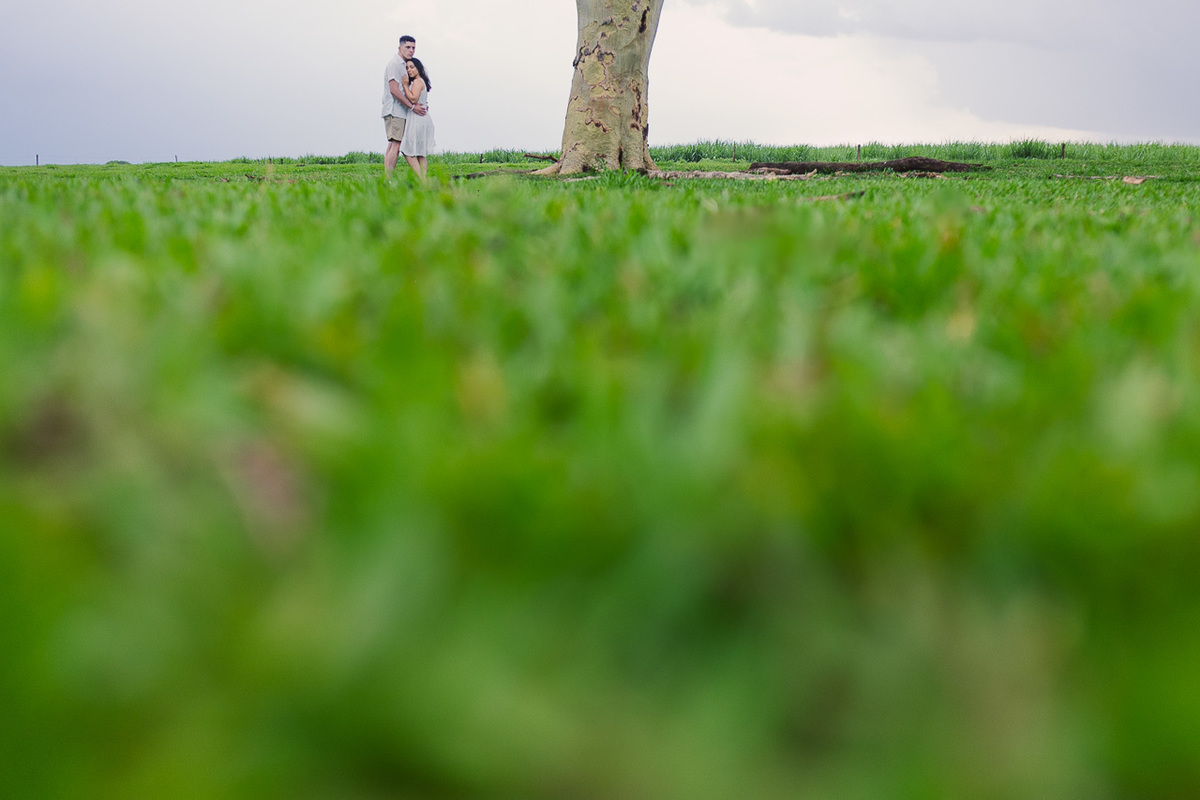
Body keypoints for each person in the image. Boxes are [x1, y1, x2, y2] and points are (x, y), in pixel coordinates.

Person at [381, 35, 428, 178]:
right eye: (408, 47)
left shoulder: (404, 65)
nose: (411, 50)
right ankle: (388, 179)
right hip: (395, 110)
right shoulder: (395, 64)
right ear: (399, 48)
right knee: (395, 145)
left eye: (413, 48)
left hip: (401, 111)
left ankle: (387, 178)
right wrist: (412, 107)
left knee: (393, 145)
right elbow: (394, 89)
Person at [399, 58, 436, 180]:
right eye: (407, 68)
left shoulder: (417, 82)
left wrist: (404, 85)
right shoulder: (421, 82)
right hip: (423, 118)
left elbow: (413, 99)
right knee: (420, 153)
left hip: (417, 119)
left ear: (418, 68)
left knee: (407, 149)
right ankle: (423, 180)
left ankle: (421, 179)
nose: (409, 70)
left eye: (412, 67)